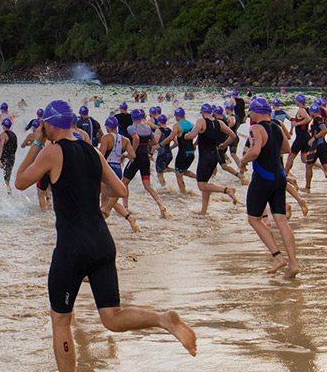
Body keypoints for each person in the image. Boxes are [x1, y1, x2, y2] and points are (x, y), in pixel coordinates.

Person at [13, 100, 197, 372]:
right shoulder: (91, 151)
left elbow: (19, 181)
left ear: (49, 124)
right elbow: (119, 192)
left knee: (61, 321)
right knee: (112, 316)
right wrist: (86, 185)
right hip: (102, 242)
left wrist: (38, 143)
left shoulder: (52, 151)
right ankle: (162, 319)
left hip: (72, 248)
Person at [236, 97, 300, 278]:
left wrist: (242, 160)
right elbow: (286, 149)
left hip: (263, 178)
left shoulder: (256, 128)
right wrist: (270, 151)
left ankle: (278, 258)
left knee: (254, 219)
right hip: (280, 177)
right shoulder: (277, 127)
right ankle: (293, 264)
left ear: (256, 112)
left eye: (251, 111)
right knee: (282, 221)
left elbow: (254, 152)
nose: (250, 114)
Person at [186, 104, 239, 215]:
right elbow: (233, 135)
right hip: (214, 156)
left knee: (202, 186)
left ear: (202, 112)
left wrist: (186, 136)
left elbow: (192, 135)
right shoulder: (219, 123)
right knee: (206, 184)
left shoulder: (201, 121)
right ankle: (203, 211)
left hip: (205, 157)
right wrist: (224, 144)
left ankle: (226, 190)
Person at [122, 108, 168, 218]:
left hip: (136, 158)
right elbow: (155, 141)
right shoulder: (147, 128)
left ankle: (126, 207)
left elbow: (136, 138)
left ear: (132, 117)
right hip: (145, 158)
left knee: (124, 182)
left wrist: (132, 152)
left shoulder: (131, 127)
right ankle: (160, 205)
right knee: (148, 186)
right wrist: (147, 144)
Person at [158, 107, 197, 195]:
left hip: (182, 153)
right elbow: (199, 133)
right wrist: (195, 144)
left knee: (179, 175)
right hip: (191, 153)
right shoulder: (192, 124)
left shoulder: (177, 125)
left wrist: (161, 144)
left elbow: (171, 137)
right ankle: (199, 178)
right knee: (183, 171)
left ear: (176, 116)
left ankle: (183, 195)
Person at [0, 117, 18, 192]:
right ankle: (9, 192)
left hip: (4, 159)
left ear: (3, 125)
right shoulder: (14, 135)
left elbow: (1, 146)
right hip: (12, 158)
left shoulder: (3, 135)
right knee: (7, 178)